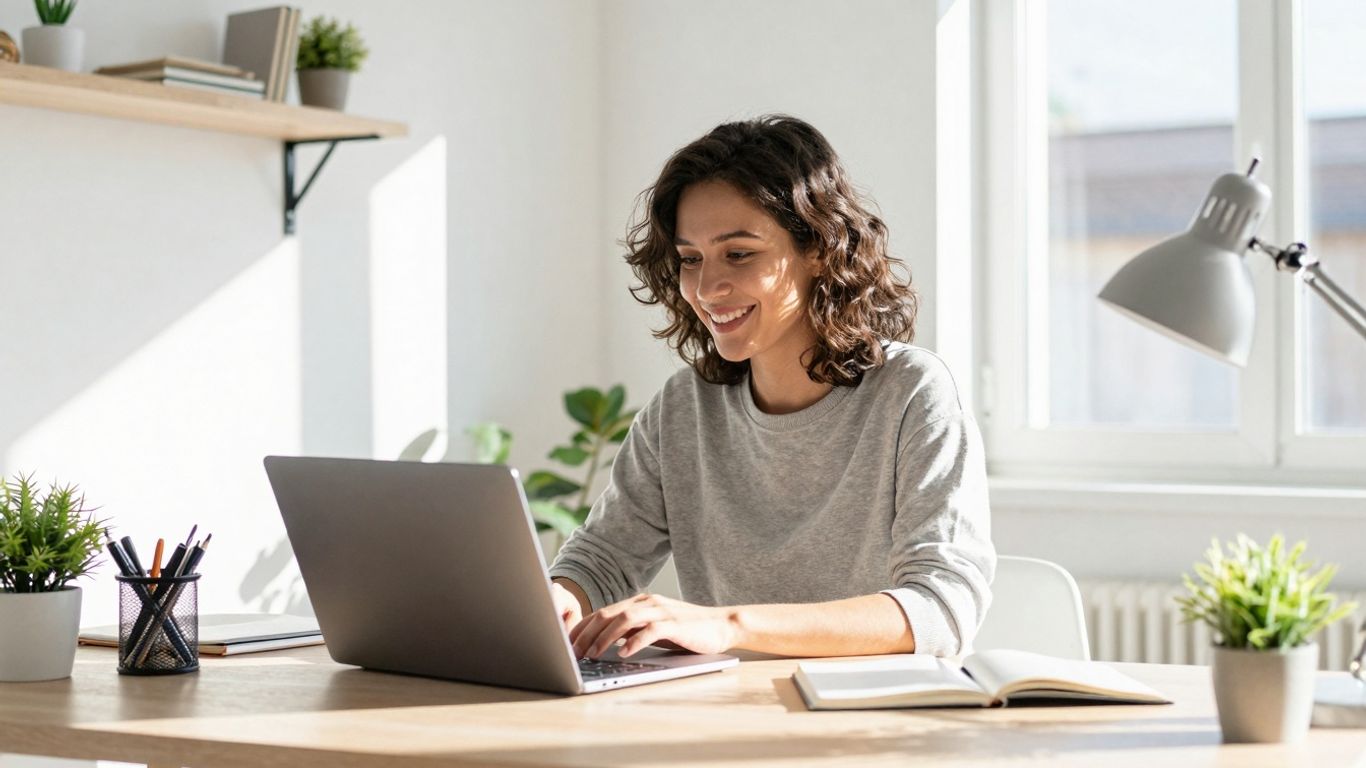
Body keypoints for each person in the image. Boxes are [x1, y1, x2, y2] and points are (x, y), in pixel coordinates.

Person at [548, 115, 995, 660]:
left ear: (819, 249)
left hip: (867, 722)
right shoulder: (683, 409)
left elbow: (941, 609)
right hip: (725, 714)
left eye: (739, 254)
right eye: (691, 259)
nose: (708, 288)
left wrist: (730, 626)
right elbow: (604, 558)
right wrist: (556, 599)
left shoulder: (912, 394)